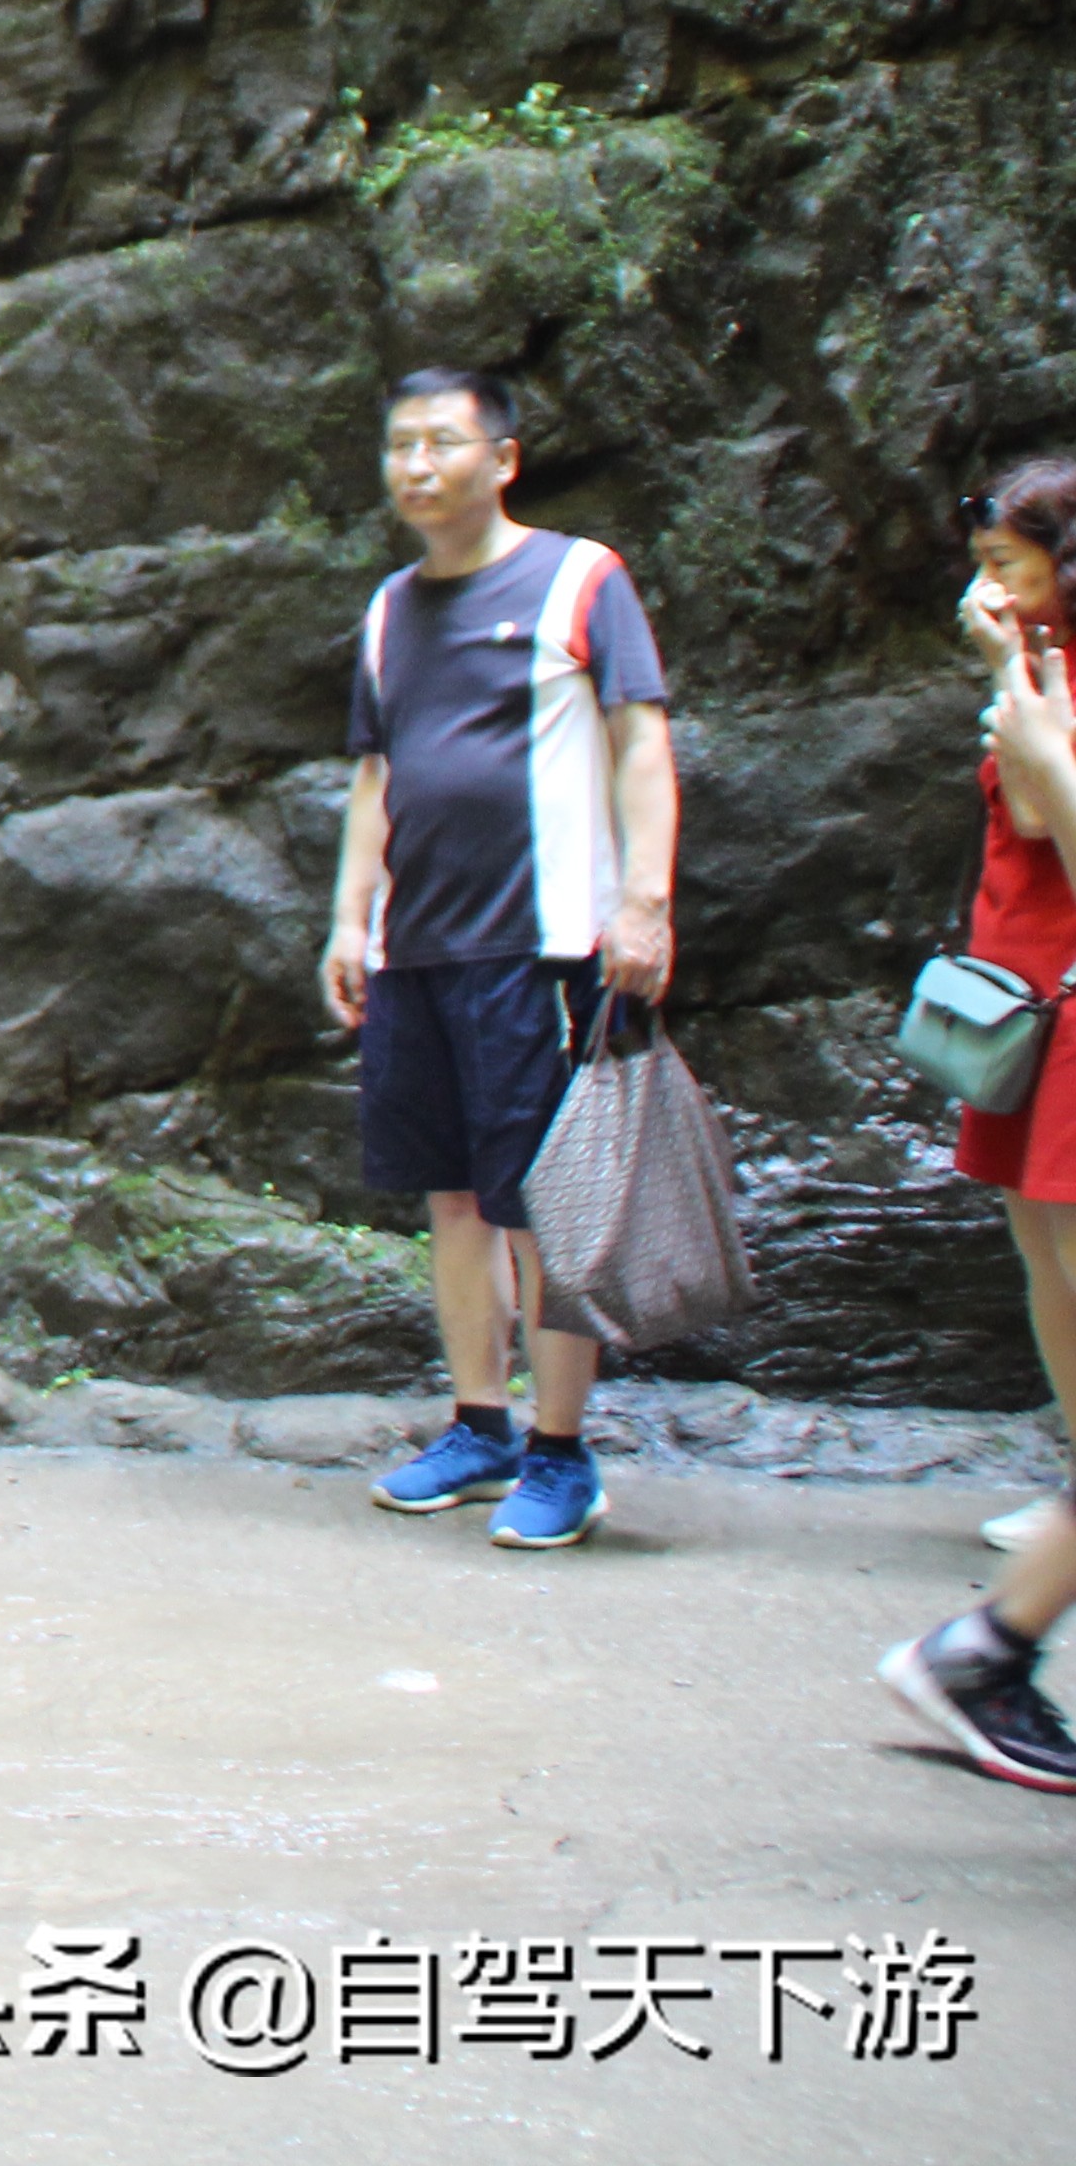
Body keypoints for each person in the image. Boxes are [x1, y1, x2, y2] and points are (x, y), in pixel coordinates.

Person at [320, 367, 676, 1556]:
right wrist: (347, 921)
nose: (416, 466)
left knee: (547, 1203)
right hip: (419, 946)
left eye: (440, 443)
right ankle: (480, 1426)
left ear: (502, 458)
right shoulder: (388, 609)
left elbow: (641, 741)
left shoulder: (581, 578)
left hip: (544, 942)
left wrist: (645, 901)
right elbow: (375, 777)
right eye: (399, 446)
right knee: (454, 1197)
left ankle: (564, 1452)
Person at [885, 472, 1076, 1792]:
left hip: (1043, 1018)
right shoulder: (1037, 692)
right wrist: (1021, 704)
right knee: (1045, 1267)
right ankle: (988, 1649)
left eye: (1011, 566)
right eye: (989, 567)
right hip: (1049, 1024)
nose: (988, 593)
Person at [943, 461, 1076, 1568]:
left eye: (1002, 566)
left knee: (1072, 1245)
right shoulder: (1041, 662)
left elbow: (1038, 809)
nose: (986, 589)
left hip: (1069, 990)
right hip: (1017, 992)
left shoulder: (1049, 672)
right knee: (1037, 1243)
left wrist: (1003, 663)